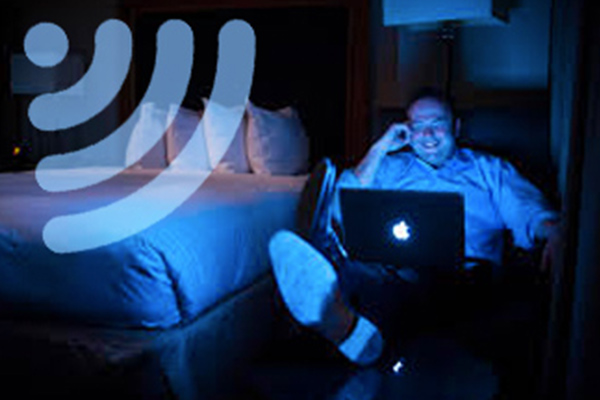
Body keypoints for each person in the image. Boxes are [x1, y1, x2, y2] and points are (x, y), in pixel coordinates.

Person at [268, 88, 561, 371]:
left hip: (466, 277)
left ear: (456, 127)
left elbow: (530, 211)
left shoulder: (489, 169)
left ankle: (337, 299)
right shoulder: (389, 167)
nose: (428, 135)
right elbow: (343, 205)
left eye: (437, 124)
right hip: (390, 270)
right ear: (406, 131)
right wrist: (379, 147)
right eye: (418, 126)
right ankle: (335, 281)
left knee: (398, 286)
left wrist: (554, 231)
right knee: (368, 265)